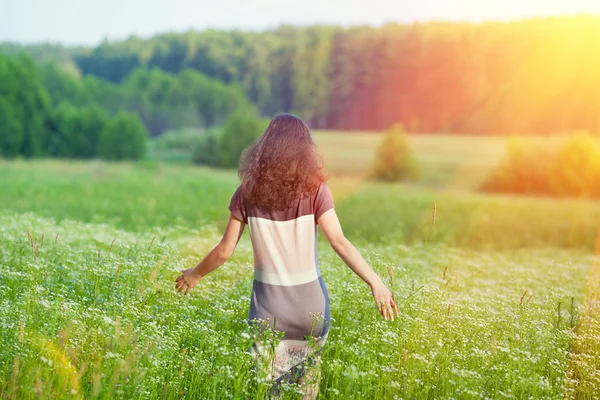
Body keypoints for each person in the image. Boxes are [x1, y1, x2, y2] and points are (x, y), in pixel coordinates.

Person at [175, 113, 398, 399]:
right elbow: (339, 242)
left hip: (269, 311)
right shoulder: (316, 190)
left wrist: (194, 275)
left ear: (265, 148)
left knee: (273, 393)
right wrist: (376, 282)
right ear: (305, 149)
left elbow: (224, 251)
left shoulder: (246, 193)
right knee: (307, 390)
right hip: (311, 310)